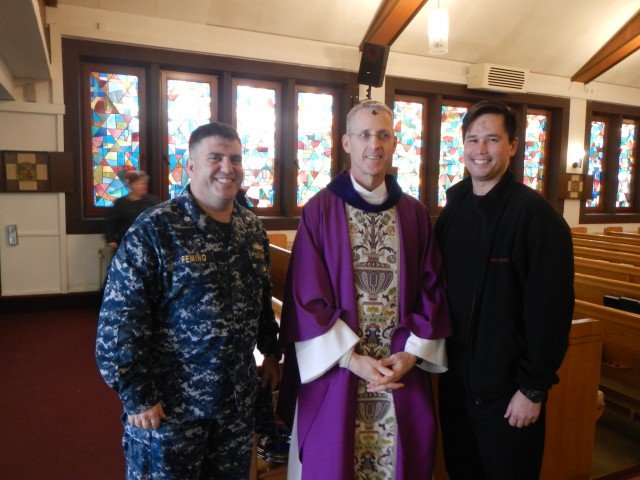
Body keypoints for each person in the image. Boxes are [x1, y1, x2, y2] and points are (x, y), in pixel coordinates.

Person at [277, 99, 451, 479]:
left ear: (393, 143)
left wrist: (411, 355)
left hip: (398, 371)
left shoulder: (414, 213)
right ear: (346, 143)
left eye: (384, 135)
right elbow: (307, 297)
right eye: (365, 135)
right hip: (339, 373)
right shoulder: (319, 211)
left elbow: (431, 287)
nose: (375, 144)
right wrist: (353, 360)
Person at [96, 122, 280, 479]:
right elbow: (118, 325)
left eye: (235, 159)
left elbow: (260, 300)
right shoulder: (155, 229)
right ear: (191, 166)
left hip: (234, 405)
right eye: (215, 158)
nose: (228, 168)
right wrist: (138, 395)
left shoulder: (251, 229)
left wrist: (271, 350)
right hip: (171, 410)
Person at [434, 100, 574, 480]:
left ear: (512, 145)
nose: (481, 150)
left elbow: (550, 312)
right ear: (462, 145)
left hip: (509, 395)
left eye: (492, 139)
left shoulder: (537, 218)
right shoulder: (453, 212)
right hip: (458, 387)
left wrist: (533, 388)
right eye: (473, 139)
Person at [105, 170, 161, 249]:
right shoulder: (121, 203)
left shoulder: (154, 201)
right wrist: (110, 240)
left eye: (145, 183)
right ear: (131, 185)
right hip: (127, 244)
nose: (143, 186)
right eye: (139, 183)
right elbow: (111, 223)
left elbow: (162, 220)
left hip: (149, 243)